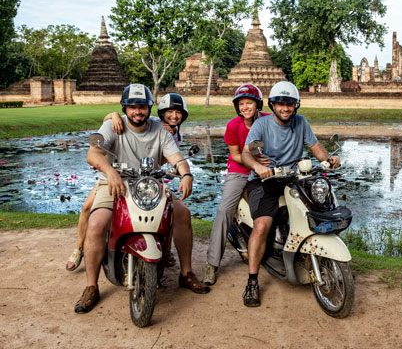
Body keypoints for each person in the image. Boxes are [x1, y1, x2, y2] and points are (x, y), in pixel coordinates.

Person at [74, 84, 208, 314]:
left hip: (150, 183)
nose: (138, 111)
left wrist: (186, 174)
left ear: (149, 108)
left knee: (182, 213)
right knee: (96, 224)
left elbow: (175, 157)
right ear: (125, 108)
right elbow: (93, 154)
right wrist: (111, 172)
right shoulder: (112, 126)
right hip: (115, 181)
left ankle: (186, 273)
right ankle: (91, 286)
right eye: (133, 106)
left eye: (143, 107)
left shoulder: (160, 130)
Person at [239, 80, 340, 307]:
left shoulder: (300, 122)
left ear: (296, 106)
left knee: (322, 207)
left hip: (294, 178)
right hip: (265, 180)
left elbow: (315, 147)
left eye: (290, 104)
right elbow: (247, 153)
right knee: (263, 225)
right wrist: (258, 167)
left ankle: (329, 262)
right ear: (273, 105)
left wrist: (327, 160)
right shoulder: (261, 125)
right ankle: (252, 281)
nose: (286, 108)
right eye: (281, 104)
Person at [65, 93, 188, 271]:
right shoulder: (148, 120)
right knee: (88, 208)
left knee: (169, 211)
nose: (174, 116)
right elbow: (117, 121)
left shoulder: (171, 134)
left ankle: (167, 249)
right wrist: (114, 115)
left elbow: (169, 159)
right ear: (161, 113)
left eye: (178, 113)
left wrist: (184, 173)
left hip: (146, 179)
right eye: (170, 112)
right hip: (119, 174)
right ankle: (78, 248)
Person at [202, 84, 269, 286]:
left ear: (257, 104)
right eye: (241, 104)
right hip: (239, 170)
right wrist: (255, 165)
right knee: (224, 211)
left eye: (249, 102)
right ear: (237, 107)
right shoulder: (234, 126)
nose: (245, 107)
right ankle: (211, 264)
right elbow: (235, 155)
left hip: (265, 171)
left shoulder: (267, 120)